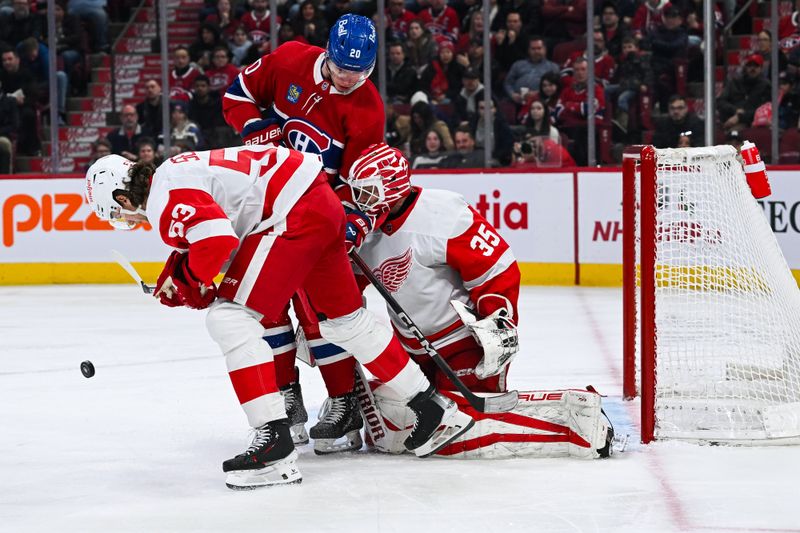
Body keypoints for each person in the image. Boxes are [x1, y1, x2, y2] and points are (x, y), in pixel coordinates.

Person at [83, 145, 473, 489]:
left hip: (293, 216)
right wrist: (187, 270)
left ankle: (273, 445)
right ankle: (431, 409)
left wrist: (186, 280)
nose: (129, 220)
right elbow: (232, 225)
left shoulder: (164, 198)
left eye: (119, 212)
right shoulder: (176, 169)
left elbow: (217, 243)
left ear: (123, 195)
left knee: (230, 319)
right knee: (345, 321)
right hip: (316, 200)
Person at [344, 144, 612, 458]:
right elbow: (346, 291)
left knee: (459, 432)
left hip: (462, 345)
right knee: (399, 423)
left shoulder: (440, 212)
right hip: (412, 352)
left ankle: (578, 423)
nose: (360, 202)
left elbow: (496, 267)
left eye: (367, 192)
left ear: (392, 187)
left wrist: (496, 324)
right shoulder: (366, 230)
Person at [222, 14, 397, 451]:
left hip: (316, 212)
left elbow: (359, 182)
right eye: (341, 67)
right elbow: (237, 94)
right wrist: (255, 127)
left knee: (322, 313)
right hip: (264, 200)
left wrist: (350, 220)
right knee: (267, 306)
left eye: (358, 71)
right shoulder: (289, 61)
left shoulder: (368, 109)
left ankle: (342, 403)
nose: (347, 78)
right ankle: (288, 400)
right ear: (327, 53)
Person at [717, 54, 771, 132]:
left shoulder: (766, 86)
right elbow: (720, 101)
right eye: (749, 66)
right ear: (745, 67)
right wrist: (735, 110)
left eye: (756, 66)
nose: (752, 68)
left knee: (734, 132)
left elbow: (763, 110)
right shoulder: (734, 82)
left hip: (752, 123)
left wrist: (740, 117)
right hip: (729, 119)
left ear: (761, 68)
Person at [503, 36, 559, 106]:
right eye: (533, 49)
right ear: (528, 50)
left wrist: (538, 94)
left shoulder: (553, 67)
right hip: (517, 102)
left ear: (545, 49)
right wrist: (512, 94)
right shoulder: (518, 64)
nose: (536, 51)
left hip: (542, 103)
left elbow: (556, 88)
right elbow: (508, 83)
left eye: (539, 48)